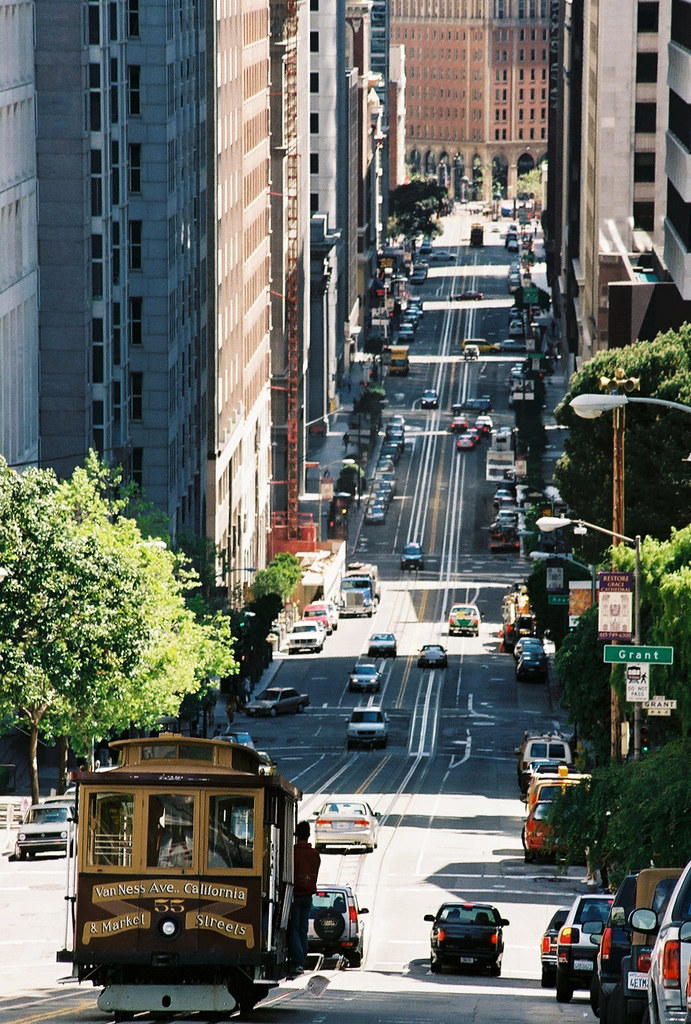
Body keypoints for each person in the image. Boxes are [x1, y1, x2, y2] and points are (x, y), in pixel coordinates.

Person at [287, 820, 321, 977]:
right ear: (308, 835)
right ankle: (301, 959)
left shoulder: (293, 853)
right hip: (308, 896)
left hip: (295, 896)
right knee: (303, 929)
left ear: (296, 834)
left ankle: (298, 961)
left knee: (293, 930)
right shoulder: (315, 855)